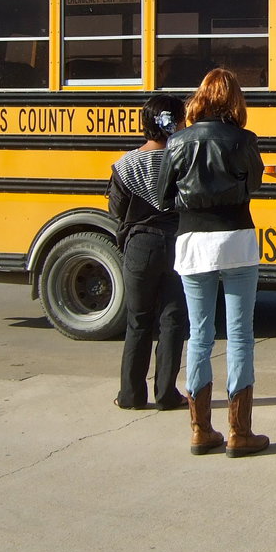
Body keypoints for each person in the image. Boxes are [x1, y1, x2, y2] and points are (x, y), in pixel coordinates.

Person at [158, 68, 269, 457]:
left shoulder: (177, 142)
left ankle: (200, 430)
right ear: (235, 99)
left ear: (200, 97)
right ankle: (240, 432)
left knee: (200, 335)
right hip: (236, 238)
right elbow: (253, 183)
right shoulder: (243, 139)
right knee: (240, 335)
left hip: (193, 242)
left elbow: (162, 195)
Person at [109, 94, 187, 411]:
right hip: (177, 244)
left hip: (140, 245)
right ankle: (167, 393)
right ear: (176, 123)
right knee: (172, 320)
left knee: (138, 321)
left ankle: (130, 394)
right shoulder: (182, 160)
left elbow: (116, 209)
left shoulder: (125, 165)